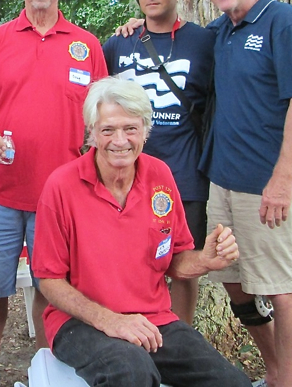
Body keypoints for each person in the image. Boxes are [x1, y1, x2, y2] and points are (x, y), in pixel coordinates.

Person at [32, 76, 252, 387]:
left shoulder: (159, 175)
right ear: (91, 133)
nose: (119, 141)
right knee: (132, 372)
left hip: (153, 320)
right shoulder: (62, 186)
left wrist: (205, 260)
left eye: (130, 129)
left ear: (146, 132)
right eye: (108, 130)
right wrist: (110, 320)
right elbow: (49, 280)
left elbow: (175, 257)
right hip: (80, 323)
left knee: (231, 383)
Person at [0, 0, 108, 385]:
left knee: (53, 287)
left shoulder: (86, 46)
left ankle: (49, 371)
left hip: (61, 196)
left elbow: (102, 114)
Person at [197, 0, 292, 387]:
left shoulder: (282, 21)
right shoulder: (223, 30)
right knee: (233, 282)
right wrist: (135, 27)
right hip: (222, 183)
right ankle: (273, 371)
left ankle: (288, 381)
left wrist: (282, 181)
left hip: (266, 185)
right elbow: (179, 35)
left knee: (281, 287)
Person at [102, 0, 215, 325]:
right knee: (127, 260)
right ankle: (132, 334)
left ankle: (181, 337)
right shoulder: (120, 44)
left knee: (183, 264)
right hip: (126, 179)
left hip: (185, 176)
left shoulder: (203, 42)